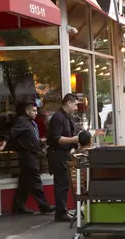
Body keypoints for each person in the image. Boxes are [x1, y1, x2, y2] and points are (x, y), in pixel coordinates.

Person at [0, 102, 56, 215]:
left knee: (24, 182)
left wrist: (39, 141)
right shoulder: (22, 121)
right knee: (35, 180)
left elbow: (28, 137)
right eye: (33, 111)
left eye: (36, 111)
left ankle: (18, 206)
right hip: (27, 155)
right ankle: (44, 206)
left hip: (31, 153)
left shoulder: (29, 123)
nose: (36, 113)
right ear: (27, 111)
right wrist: (4, 142)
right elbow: (12, 132)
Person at [47, 94, 81, 222]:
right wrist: (74, 139)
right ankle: (61, 213)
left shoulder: (67, 117)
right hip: (58, 154)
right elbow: (57, 138)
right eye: (75, 104)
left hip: (64, 153)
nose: (76, 107)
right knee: (61, 184)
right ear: (68, 103)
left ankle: (63, 210)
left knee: (64, 183)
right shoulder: (58, 118)